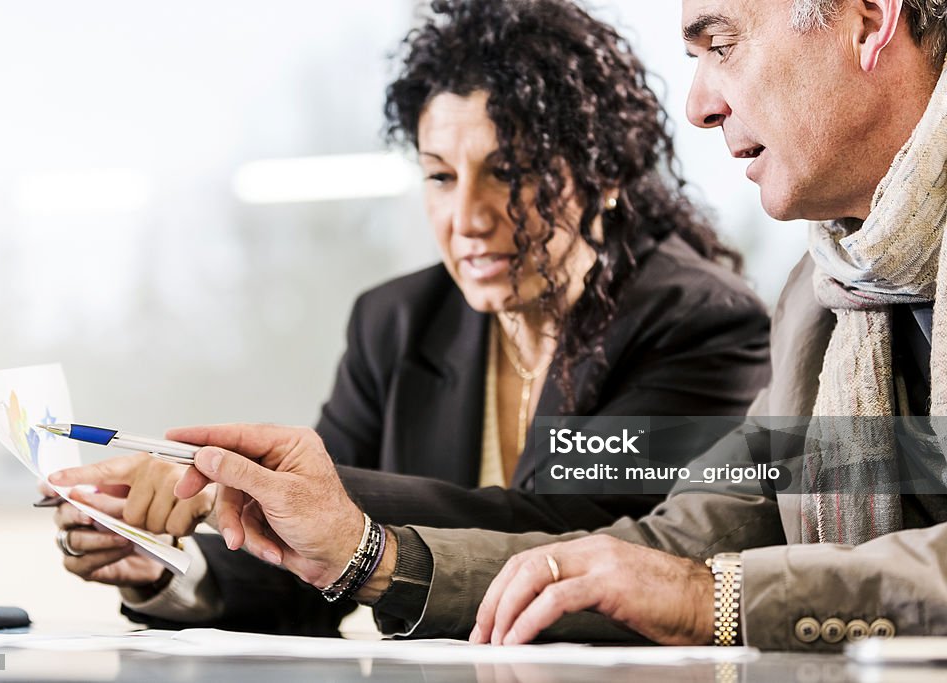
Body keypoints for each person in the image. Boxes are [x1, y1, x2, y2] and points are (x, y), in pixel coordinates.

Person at [155, 0, 947, 651]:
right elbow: (670, 545)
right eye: (438, 176)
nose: (701, 104)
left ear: (869, 18)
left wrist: (714, 597)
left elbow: (643, 550)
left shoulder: (701, 315)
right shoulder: (823, 295)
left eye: (723, 44)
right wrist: (364, 554)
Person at [44, 0, 771, 634]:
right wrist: (159, 566)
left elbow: (573, 529)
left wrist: (287, 491)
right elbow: (313, 571)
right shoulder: (393, 322)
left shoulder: (700, 321)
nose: (468, 218)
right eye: (440, 176)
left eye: (510, 173)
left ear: (603, 172)